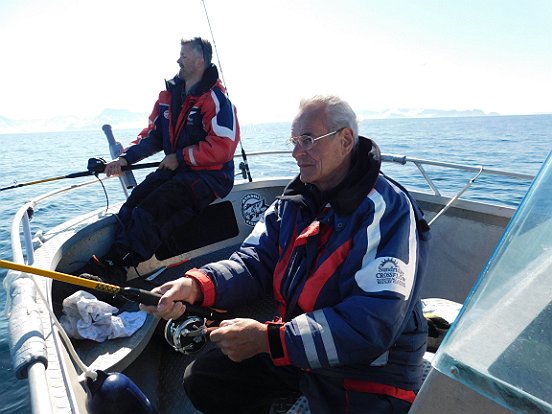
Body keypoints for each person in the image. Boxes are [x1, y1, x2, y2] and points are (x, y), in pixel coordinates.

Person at [141, 95, 430, 413]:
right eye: (294, 141)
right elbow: (254, 263)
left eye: (308, 140)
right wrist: (196, 285)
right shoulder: (295, 201)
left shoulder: (387, 209)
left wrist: (269, 340)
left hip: (369, 373)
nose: (296, 152)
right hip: (298, 346)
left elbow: (370, 326)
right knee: (204, 377)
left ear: (346, 140)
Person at [91, 36, 240, 282]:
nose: (178, 61)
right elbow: (153, 135)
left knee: (154, 207)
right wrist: (125, 159)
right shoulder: (169, 96)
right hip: (177, 171)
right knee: (134, 202)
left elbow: (223, 146)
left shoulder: (215, 99)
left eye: (183, 56)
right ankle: (111, 261)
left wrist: (180, 157)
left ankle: (117, 268)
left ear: (199, 62)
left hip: (211, 177)